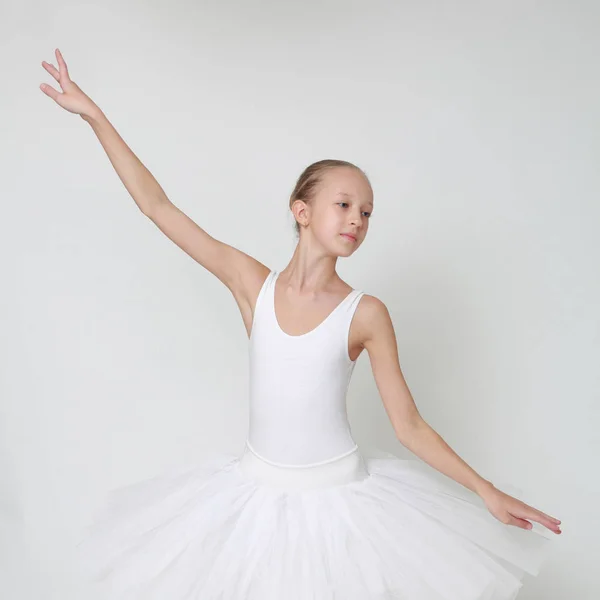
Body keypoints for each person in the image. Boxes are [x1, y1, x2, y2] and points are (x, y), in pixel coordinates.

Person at [41, 48, 561, 599]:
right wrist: (95, 116)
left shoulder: (366, 313)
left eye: (367, 212)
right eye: (344, 204)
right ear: (302, 210)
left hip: (342, 506)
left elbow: (409, 426)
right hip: (254, 499)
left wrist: (485, 491)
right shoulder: (251, 283)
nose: (357, 220)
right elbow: (158, 207)